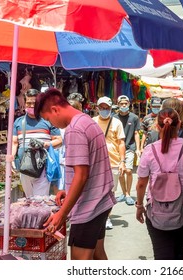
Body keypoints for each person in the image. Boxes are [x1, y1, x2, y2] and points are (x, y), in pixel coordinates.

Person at [34, 88, 116, 260]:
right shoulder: (87, 120)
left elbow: (82, 175)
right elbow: (87, 168)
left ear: (55, 109)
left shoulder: (74, 129)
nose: (52, 125)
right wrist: (67, 188)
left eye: (49, 119)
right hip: (101, 201)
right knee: (98, 255)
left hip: (88, 207)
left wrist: (61, 214)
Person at [135, 108, 183, 260]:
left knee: (162, 254)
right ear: (180, 124)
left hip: (156, 207)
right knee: (180, 251)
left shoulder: (149, 150)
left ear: (157, 126)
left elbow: (141, 183)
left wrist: (139, 206)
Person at [12, 89, 62, 197]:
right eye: (28, 103)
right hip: (24, 168)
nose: (31, 106)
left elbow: (59, 140)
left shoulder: (48, 120)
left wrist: (46, 144)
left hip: (43, 167)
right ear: (24, 104)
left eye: (34, 103)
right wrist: (11, 158)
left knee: (40, 200)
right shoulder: (18, 122)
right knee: (29, 199)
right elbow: (14, 143)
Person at [93, 96, 126, 229]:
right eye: (102, 108)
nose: (104, 110)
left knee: (110, 192)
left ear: (111, 108)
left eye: (107, 108)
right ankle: (98, 217)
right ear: (97, 108)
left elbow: (121, 143)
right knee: (97, 192)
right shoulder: (92, 122)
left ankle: (106, 217)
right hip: (96, 163)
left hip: (113, 162)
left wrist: (122, 161)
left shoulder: (117, 123)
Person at [113, 95, 141, 206]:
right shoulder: (114, 117)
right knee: (121, 172)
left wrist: (138, 148)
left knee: (129, 170)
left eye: (126, 103)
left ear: (129, 104)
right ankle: (124, 193)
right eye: (122, 103)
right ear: (118, 104)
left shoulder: (134, 117)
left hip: (130, 147)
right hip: (117, 148)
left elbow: (136, 133)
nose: (124, 105)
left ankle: (128, 194)